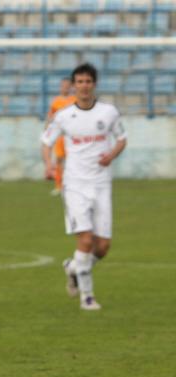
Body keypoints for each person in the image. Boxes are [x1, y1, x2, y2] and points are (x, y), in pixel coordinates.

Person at [41, 63, 127, 311]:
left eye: (88, 81)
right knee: (87, 241)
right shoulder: (64, 116)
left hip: (101, 183)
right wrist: (49, 165)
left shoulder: (108, 112)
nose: (84, 86)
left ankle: (74, 267)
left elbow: (122, 139)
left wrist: (111, 155)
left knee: (103, 247)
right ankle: (87, 297)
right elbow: (46, 142)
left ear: (94, 84)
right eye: (79, 82)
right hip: (75, 184)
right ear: (74, 85)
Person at [45, 77, 76, 196]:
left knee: (72, 161)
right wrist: (46, 129)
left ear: (71, 86)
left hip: (72, 136)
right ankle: (58, 186)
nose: (65, 87)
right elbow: (50, 117)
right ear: (60, 86)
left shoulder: (75, 100)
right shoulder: (56, 101)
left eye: (68, 85)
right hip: (59, 137)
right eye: (63, 85)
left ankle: (72, 185)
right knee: (59, 160)